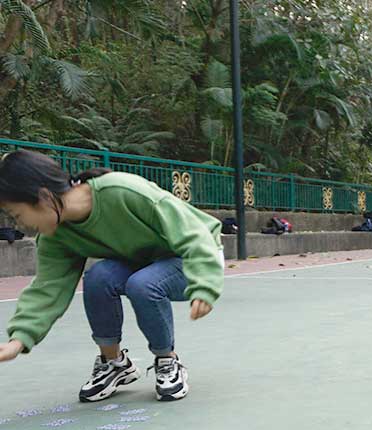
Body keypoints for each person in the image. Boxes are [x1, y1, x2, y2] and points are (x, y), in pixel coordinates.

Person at [0, 150, 224, 402]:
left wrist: (205, 283)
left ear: (42, 196)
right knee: (98, 277)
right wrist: (19, 339)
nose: (20, 225)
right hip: (145, 261)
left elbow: (193, 234)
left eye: (18, 215)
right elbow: (48, 287)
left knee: (143, 284)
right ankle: (114, 364)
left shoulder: (121, 191)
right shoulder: (57, 236)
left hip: (197, 255)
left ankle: (167, 361)